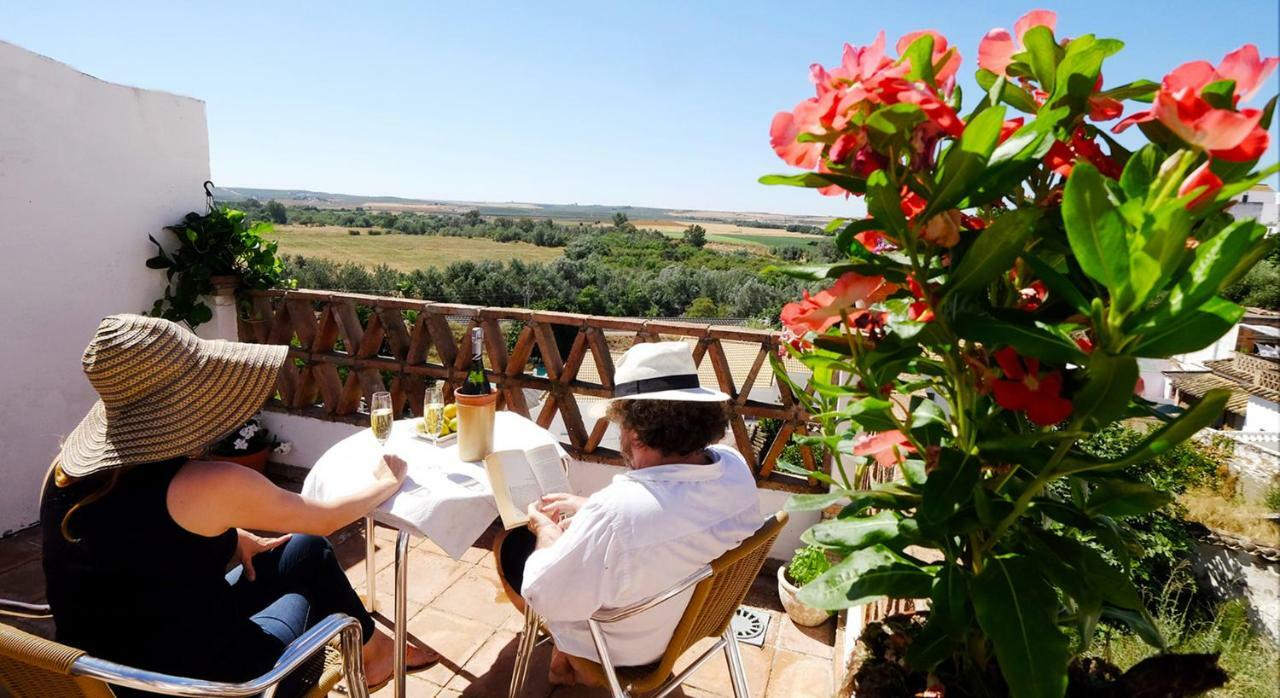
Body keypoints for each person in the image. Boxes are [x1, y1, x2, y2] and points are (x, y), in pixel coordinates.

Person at [40, 314, 436, 695]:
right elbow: (326, 517)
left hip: (100, 677)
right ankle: (375, 653)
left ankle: (377, 651)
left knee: (306, 550)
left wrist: (231, 540)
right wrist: (385, 480)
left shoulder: (62, 472)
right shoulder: (212, 485)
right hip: (213, 688)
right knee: (317, 596)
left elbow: (133, 546)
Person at [493, 341, 763, 686]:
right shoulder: (735, 469)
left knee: (512, 545)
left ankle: (571, 656)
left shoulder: (619, 512)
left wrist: (545, 530)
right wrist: (590, 509)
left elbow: (541, 594)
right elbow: (673, 511)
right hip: (691, 622)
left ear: (634, 431)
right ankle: (564, 659)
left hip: (623, 649)